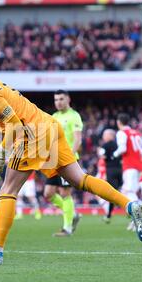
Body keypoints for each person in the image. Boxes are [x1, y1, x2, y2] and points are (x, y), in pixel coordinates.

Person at [0, 52, 142, 266]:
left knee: (7, 191)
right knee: (81, 180)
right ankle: (130, 205)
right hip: (49, 125)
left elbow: (15, 125)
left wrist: (0, 152)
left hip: (30, 134)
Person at [44, 90, 82, 237]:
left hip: (67, 160)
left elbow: (77, 139)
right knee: (48, 193)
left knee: (65, 193)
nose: (58, 102)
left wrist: (70, 157)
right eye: (56, 100)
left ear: (68, 99)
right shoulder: (54, 117)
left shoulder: (74, 116)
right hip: (54, 159)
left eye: (61, 99)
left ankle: (67, 228)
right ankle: (73, 214)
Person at [112, 113, 142, 231]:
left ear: (119, 122)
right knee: (127, 191)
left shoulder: (121, 133)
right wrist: (138, 157)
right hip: (138, 166)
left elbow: (122, 148)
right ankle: (136, 220)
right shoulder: (137, 133)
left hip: (129, 166)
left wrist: (114, 155)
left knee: (128, 192)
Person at [98, 129, 123, 224]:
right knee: (122, 190)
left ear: (110, 136)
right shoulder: (118, 145)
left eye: (105, 135)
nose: (103, 137)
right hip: (121, 170)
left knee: (112, 193)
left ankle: (109, 215)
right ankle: (110, 213)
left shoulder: (105, 145)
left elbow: (103, 156)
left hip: (111, 171)